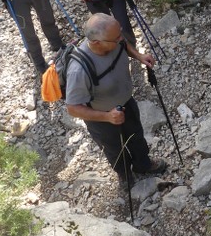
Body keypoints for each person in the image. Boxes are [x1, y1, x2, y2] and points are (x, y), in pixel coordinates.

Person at [65, 13, 167, 181]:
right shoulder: (79, 70)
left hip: (126, 102)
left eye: (120, 33)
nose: (121, 38)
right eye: (116, 37)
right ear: (97, 42)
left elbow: (124, 45)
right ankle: (125, 176)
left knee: (137, 136)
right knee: (114, 150)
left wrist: (139, 56)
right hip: (102, 120)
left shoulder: (114, 41)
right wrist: (107, 117)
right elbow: (73, 108)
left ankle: (143, 165)